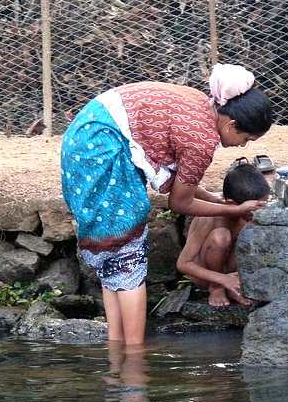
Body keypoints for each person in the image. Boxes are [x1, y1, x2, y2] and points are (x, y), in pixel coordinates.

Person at [60, 64, 273, 344]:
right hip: (100, 147)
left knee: (115, 257)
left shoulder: (201, 106)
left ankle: (116, 350)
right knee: (128, 256)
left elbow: (181, 186)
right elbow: (179, 203)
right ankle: (135, 361)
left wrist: (212, 199)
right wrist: (233, 209)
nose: (243, 147)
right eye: (246, 138)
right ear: (231, 125)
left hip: (85, 137)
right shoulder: (202, 141)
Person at [176, 159, 270, 307]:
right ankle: (216, 288)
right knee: (221, 236)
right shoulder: (210, 218)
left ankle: (236, 287)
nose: (258, 212)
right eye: (253, 209)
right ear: (232, 205)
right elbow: (183, 264)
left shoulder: (248, 213)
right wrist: (221, 279)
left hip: (231, 271)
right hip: (205, 272)